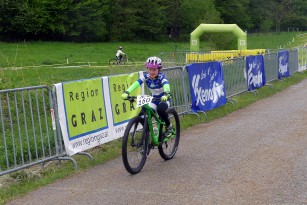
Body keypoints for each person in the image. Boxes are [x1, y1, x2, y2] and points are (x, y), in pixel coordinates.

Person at [121, 56, 173, 137]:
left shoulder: (161, 77)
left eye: (154, 70)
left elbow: (166, 85)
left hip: (164, 99)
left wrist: (166, 93)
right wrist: (127, 92)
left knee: (160, 110)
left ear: (159, 70)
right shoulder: (146, 77)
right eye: (150, 69)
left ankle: (169, 126)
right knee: (144, 115)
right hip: (154, 99)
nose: (152, 72)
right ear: (147, 69)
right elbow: (136, 83)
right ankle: (149, 135)